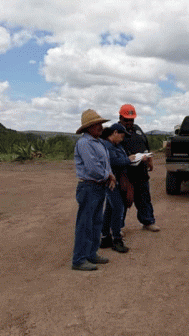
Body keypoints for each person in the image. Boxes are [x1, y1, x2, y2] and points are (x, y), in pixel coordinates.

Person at [72, 109, 115, 271]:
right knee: (85, 224)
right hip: (89, 187)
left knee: (96, 222)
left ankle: (91, 254)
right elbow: (93, 169)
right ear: (87, 128)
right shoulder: (84, 143)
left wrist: (109, 174)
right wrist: (109, 176)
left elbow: (104, 164)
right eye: (95, 124)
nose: (100, 127)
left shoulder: (98, 142)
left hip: (97, 187)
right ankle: (79, 259)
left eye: (100, 124)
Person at [100, 123, 147, 253]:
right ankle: (116, 239)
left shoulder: (116, 145)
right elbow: (114, 162)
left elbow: (120, 159)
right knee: (118, 208)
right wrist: (128, 159)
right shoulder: (107, 146)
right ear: (115, 133)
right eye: (121, 135)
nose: (123, 138)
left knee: (110, 209)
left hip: (118, 180)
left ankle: (105, 237)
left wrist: (132, 159)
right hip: (111, 182)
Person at [117, 104, 160, 232]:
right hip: (125, 174)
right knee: (123, 201)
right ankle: (117, 228)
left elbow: (145, 145)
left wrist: (150, 160)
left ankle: (148, 221)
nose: (130, 122)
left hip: (141, 171)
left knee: (144, 198)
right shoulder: (116, 131)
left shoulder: (137, 129)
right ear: (120, 117)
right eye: (127, 119)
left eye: (132, 119)